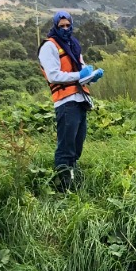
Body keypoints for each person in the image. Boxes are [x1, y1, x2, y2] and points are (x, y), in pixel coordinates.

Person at [36, 10, 103, 191]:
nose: (65, 29)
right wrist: (79, 75)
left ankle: (73, 182)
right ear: (55, 26)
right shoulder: (49, 46)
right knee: (66, 147)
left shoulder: (73, 45)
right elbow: (53, 75)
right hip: (65, 101)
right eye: (61, 26)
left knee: (77, 145)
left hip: (80, 99)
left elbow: (81, 73)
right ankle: (62, 187)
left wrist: (91, 76)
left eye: (68, 25)